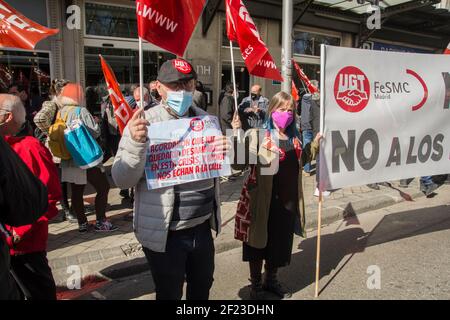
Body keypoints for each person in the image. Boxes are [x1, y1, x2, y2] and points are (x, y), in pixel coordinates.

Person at [112, 59, 227, 300]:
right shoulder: (144, 124)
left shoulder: (207, 121)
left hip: (202, 227)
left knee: (202, 286)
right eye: (175, 86)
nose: (183, 91)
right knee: (169, 293)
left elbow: (223, 167)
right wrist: (135, 143)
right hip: (167, 233)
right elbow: (122, 179)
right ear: (158, 87)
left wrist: (227, 150)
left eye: (188, 84)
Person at [231, 91, 321, 300]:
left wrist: (315, 143)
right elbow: (238, 163)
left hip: (287, 201)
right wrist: (236, 135)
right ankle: (256, 285)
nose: (286, 114)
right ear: (271, 111)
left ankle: (271, 279)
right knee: (257, 244)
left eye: (290, 110)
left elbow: (303, 158)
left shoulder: (295, 137)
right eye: (282, 109)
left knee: (279, 244)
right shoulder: (257, 136)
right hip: (262, 202)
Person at [0, 94, 61, 300]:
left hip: (24, 246)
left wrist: (20, 230)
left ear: (7, 117)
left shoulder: (30, 146)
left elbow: (50, 196)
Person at [58, 83, 117, 233]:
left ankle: (82, 224)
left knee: (77, 193)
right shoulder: (81, 110)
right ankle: (101, 221)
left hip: (69, 159)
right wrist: (96, 122)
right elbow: (96, 132)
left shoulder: (61, 112)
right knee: (103, 187)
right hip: (85, 158)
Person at [0, 136, 48, 300]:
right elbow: (33, 202)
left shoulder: (28, 145)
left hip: (21, 242)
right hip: (19, 242)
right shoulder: (27, 145)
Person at [34, 79, 76, 222]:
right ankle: (66, 209)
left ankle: (70, 207)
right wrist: (52, 132)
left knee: (67, 178)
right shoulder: (52, 104)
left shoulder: (65, 104)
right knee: (61, 180)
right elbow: (39, 119)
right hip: (56, 149)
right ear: (59, 92)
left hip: (65, 147)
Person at [300, 81, 320, 177]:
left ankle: (318, 168)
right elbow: (310, 97)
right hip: (307, 127)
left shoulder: (317, 98)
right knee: (308, 148)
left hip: (315, 126)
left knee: (315, 148)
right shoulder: (306, 97)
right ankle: (307, 170)